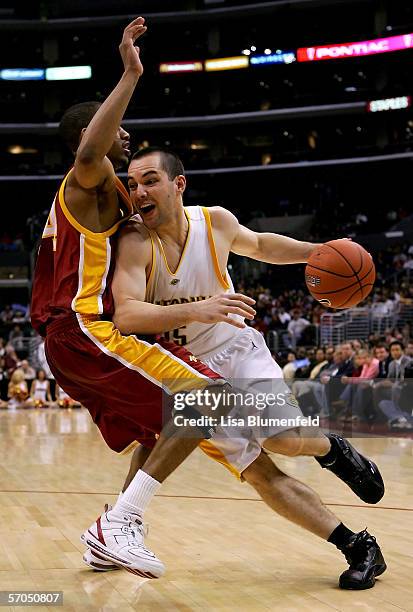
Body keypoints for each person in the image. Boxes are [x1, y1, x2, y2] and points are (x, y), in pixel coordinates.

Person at [84, 147, 386, 589]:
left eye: (149, 180)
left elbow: (261, 244)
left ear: (178, 184)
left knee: (282, 439)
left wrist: (318, 253)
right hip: (190, 374)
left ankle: (332, 449)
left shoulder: (215, 222)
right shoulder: (133, 240)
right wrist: (201, 308)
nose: (138, 191)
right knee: (259, 473)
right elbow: (126, 314)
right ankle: (358, 546)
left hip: (236, 349)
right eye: (132, 183)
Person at [30, 17, 250, 579]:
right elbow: (93, 149)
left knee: (159, 428)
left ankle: (116, 530)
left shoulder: (104, 205)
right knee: (208, 400)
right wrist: (130, 73)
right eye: (121, 140)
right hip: (83, 329)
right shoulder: (87, 182)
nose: (127, 148)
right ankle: (120, 525)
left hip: (72, 342)